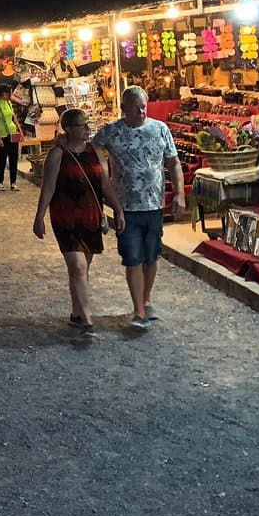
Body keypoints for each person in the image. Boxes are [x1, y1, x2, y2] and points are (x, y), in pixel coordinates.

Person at [92, 86, 185, 329]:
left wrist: (179, 194)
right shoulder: (111, 132)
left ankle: (146, 298)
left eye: (143, 107)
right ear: (124, 108)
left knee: (151, 255)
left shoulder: (160, 129)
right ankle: (139, 309)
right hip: (126, 207)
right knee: (132, 256)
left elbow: (173, 162)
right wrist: (103, 173)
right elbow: (91, 150)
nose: (140, 112)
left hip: (154, 204)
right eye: (135, 108)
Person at [33, 109, 125, 333]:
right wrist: (39, 217)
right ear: (69, 129)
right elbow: (48, 187)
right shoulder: (57, 154)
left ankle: (76, 313)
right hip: (65, 216)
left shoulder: (96, 152)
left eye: (87, 124)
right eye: (82, 125)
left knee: (82, 269)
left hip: (90, 215)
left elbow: (104, 185)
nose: (87, 128)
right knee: (78, 265)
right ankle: (86, 317)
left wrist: (118, 209)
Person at [0, 82, 22, 191]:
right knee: (2, 159)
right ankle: (0, 182)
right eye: (9, 92)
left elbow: (14, 117)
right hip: (2, 135)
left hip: (12, 133)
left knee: (14, 158)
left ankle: (13, 182)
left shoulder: (9, 103)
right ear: (4, 93)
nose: (10, 95)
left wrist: (20, 130)